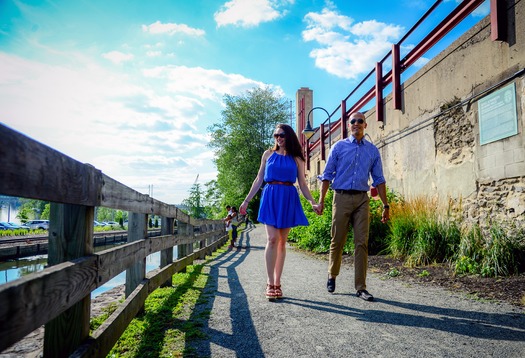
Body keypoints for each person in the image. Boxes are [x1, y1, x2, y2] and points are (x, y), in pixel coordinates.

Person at [240, 123, 321, 300]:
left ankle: (278, 282)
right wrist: (246, 201)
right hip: (270, 196)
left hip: (288, 197)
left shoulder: (297, 158)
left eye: (282, 135)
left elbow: (303, 184)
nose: (278, 138)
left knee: (282, 242)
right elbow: (259, 178)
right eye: (276, 135)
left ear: (289, 136)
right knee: (272, 238)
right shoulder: (268, 154)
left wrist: (313, 202)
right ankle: (270, 283)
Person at [318, 111, 390, 301]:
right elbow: (327, 175)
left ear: (365, 125)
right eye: (353, 121)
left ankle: (361, 287)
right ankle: (332, 275)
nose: (356, 124)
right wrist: (321, 200)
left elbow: (379, 179)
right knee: (338, 239)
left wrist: (385, 205)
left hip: (361, 199)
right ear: (348, 126)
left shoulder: (372, 151)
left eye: (360, 121)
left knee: (361, 243)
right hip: (340, 197)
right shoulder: (339, 147)